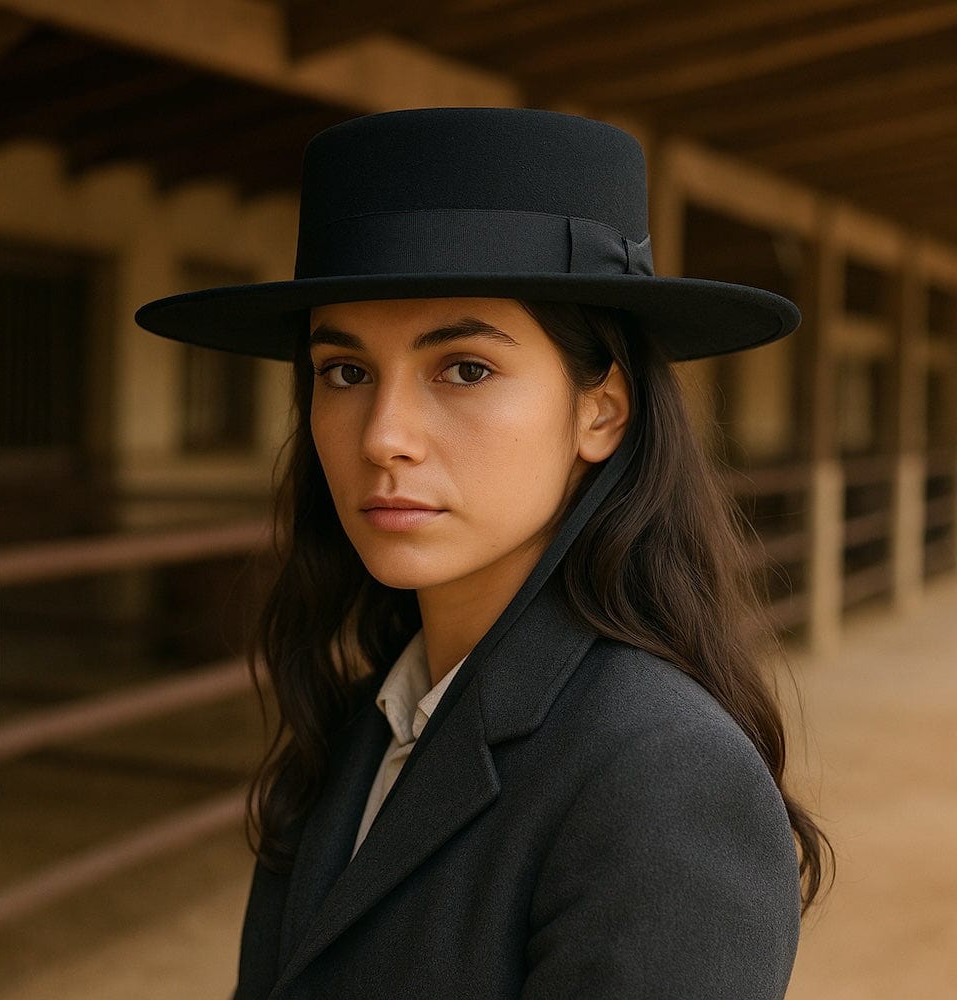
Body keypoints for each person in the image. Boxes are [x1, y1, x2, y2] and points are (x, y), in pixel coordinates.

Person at [136, 107, 830, 999]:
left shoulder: (664, 776)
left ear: (601, 411)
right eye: (344, 372)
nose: (384, 436)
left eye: (464, 368)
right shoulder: (368, 719)